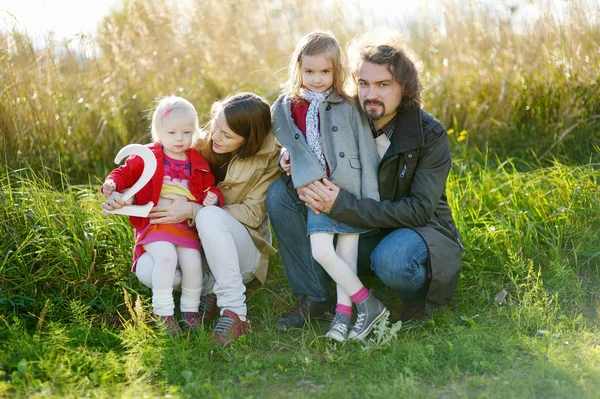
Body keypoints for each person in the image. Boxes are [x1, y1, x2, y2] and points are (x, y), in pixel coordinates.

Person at [267, 31, 464, 332]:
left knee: (393, 260)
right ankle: (318, 297)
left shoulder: (429, 134)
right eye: (364, 83)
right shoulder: (345, 114)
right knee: (280, 195)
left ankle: (412, 302)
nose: (371, 94)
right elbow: (309, 140)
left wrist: (341, 205)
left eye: (383, 85)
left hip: (415, 227)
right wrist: (289, 158)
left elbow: (419, 209)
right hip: (360, 221)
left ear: (404, 88)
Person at [114, 92, 281, 346]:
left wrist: (192, 210)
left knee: (210, 216)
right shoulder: (195, 145)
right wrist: (119, 194)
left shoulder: (268, 158)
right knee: (149, 270)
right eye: (216, 128)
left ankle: (235, 311)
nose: (215, 137)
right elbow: (147, 167)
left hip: (243, 251)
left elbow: (253, 214)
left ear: (248, 140)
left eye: (227, 136)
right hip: (197, 248)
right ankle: (206, 293)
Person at [271, 30, 386, 342]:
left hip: (351, 192)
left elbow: (366, 152)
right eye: (309, 71)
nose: (317, 79)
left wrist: (369, 202)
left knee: (346, 257)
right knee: (323, 250)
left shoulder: (348, 106)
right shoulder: (290, 106)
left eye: (325, 71)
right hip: (318, 194)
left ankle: (343, 315)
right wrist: (285, 156)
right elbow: (291, 144)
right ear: (298, 68)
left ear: (337, 71)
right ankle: (369, 303)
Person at [101, 96, 224, 336]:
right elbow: (123, 173)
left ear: (195, 132)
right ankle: (163, 312)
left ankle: (190, 312)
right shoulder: (147, 156)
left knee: (192, 262)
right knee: (166, 258)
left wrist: (215, 197)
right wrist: (111, 184)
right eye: (172, 132)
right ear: (158, 132)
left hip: (185, 226)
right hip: (156, 223)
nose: (179, 138)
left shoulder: (197, 161)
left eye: (186, 132)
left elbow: (210, 187)